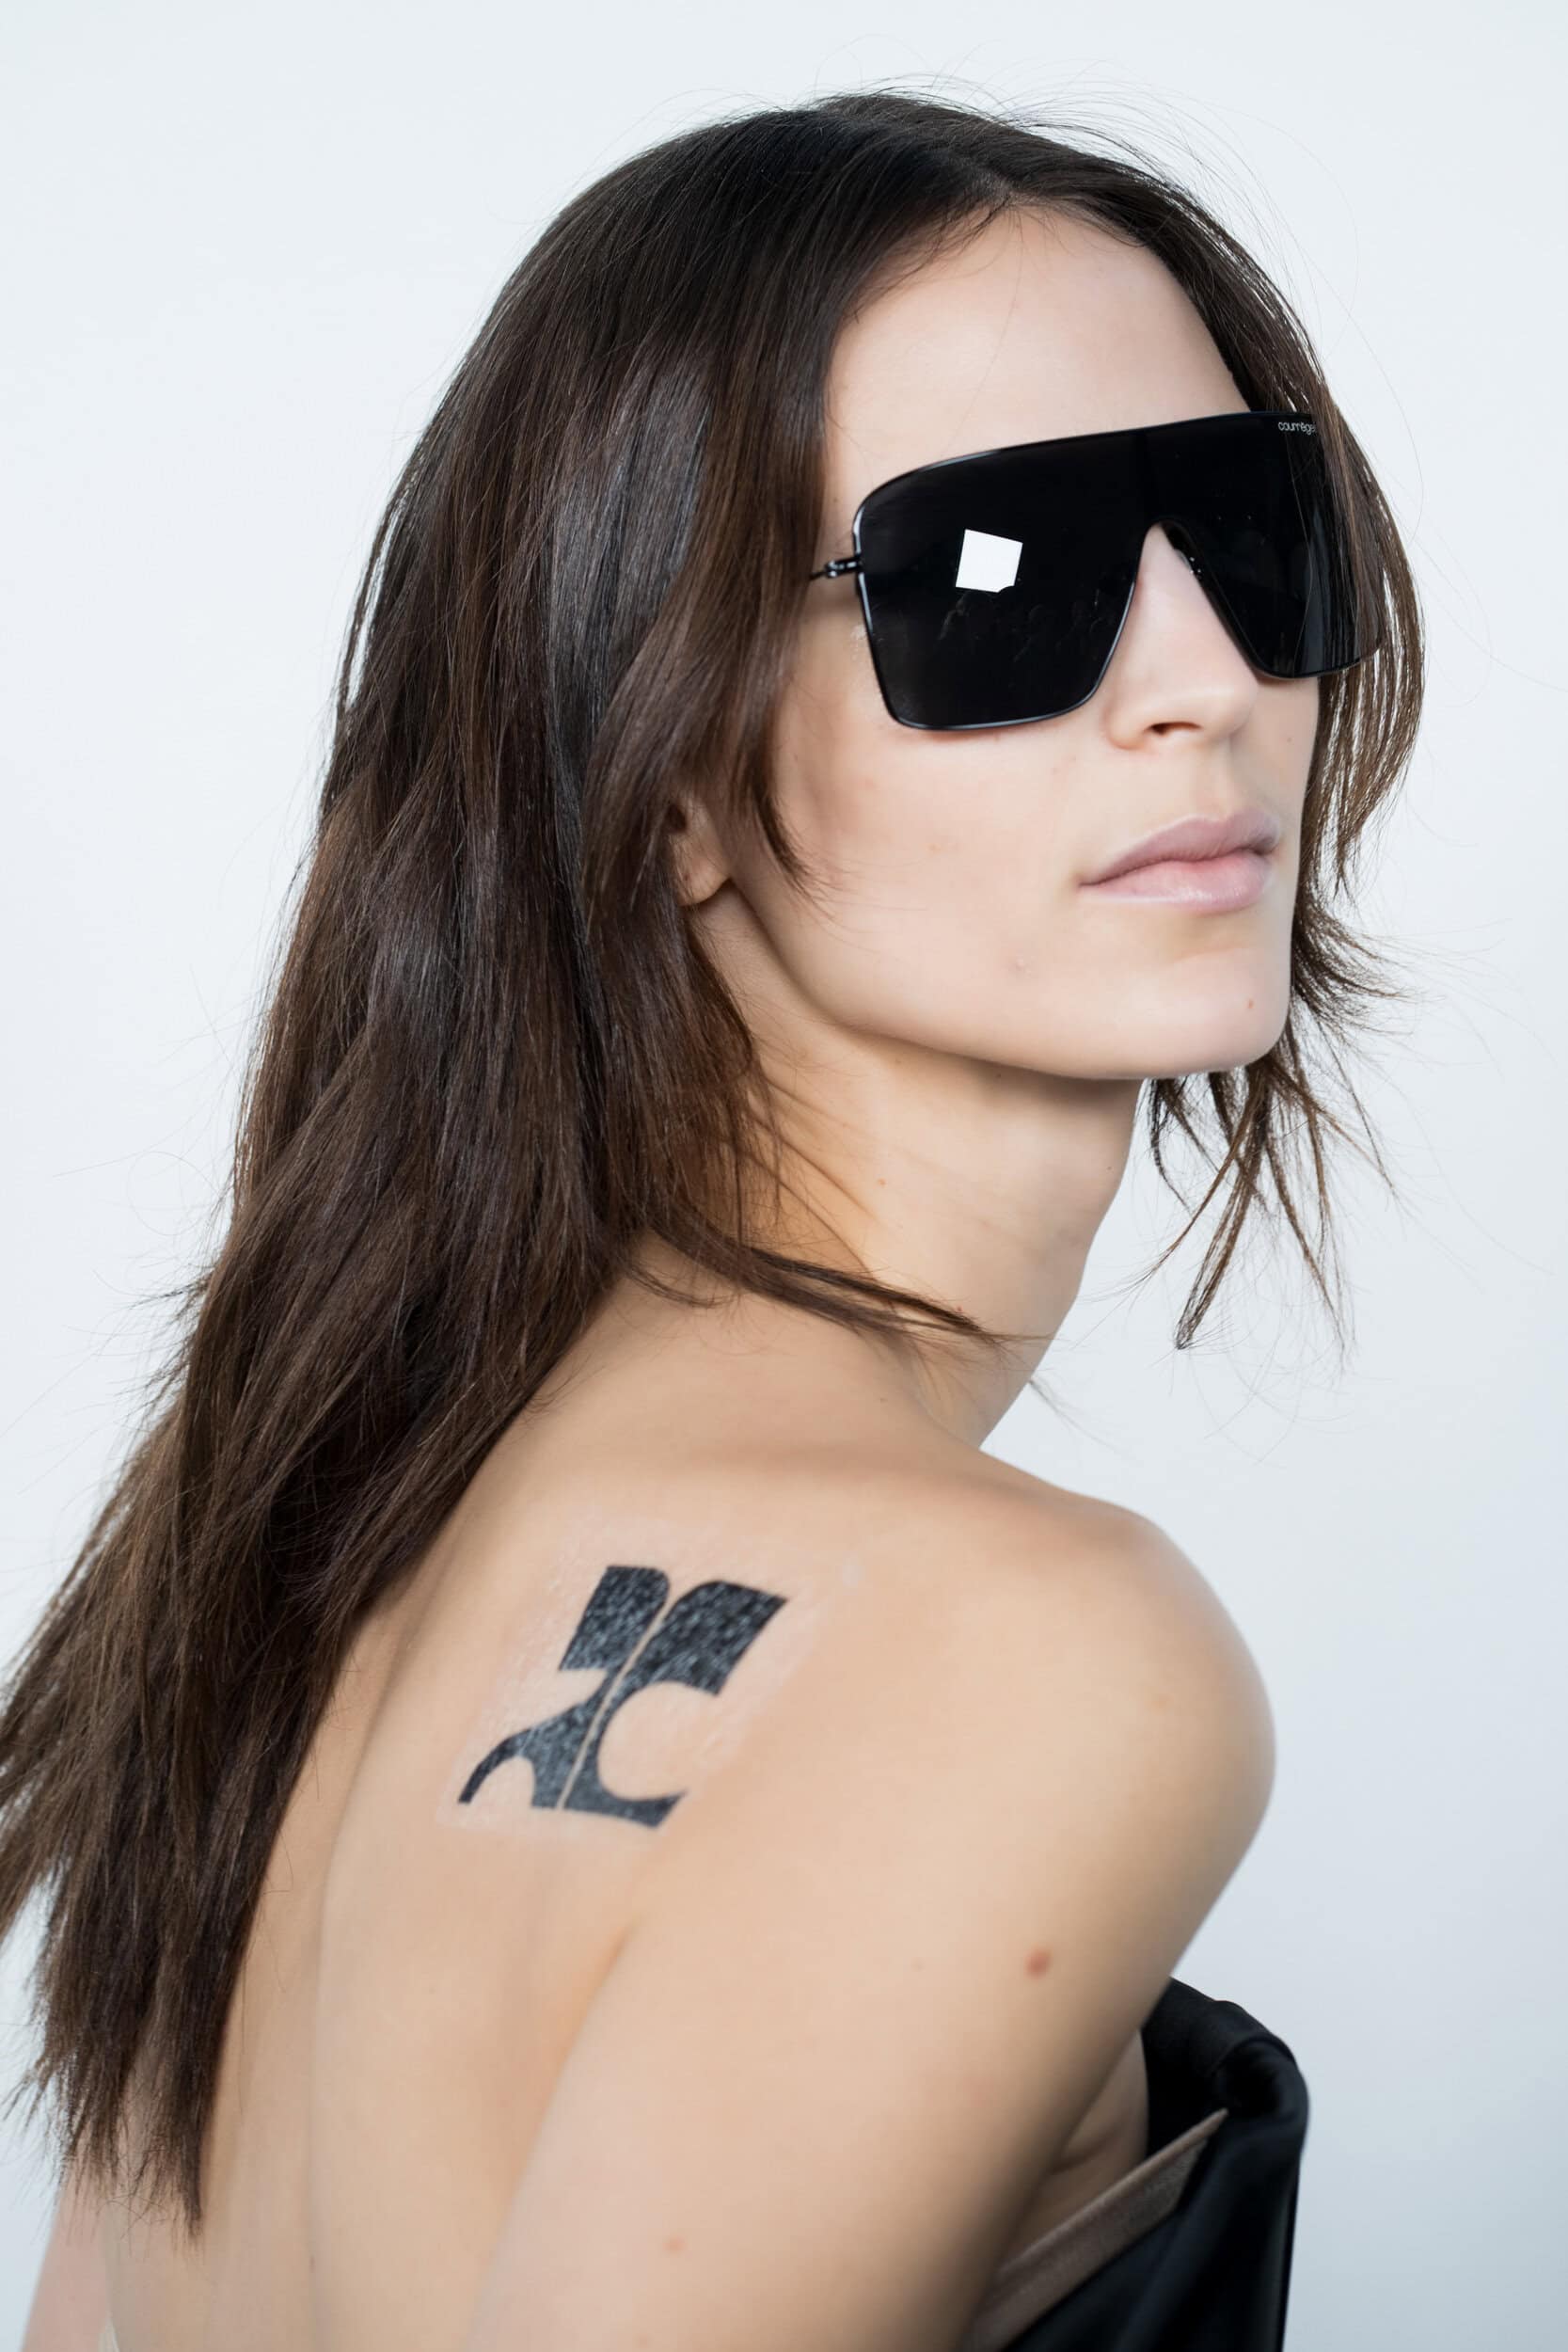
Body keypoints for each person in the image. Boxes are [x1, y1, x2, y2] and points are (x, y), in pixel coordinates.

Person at [8, 86, 1421, 2352]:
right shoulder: (1018, 1644)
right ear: (663, 767)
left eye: (1255, 534)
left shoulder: (295, 1578)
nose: (1204, 685)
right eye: (999, 574)